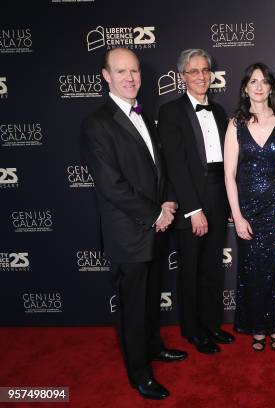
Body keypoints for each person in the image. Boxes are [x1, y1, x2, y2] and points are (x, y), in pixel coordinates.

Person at [80, 48, 186, 400]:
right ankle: (139, 374)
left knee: (151, 299)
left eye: (135, 72)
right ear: (106, 76)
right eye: (121, 72)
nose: (130, 78)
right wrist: (156, 213)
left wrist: (168, 199)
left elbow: (159, 169)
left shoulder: (145, 114)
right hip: (129, 233)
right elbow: (112, 186)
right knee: (133, 307)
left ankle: (154, 347)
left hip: (155, 228)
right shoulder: (98, 124)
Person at [158, 49, 234, 355]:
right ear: (182, 77)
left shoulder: (218, 112)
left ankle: (212, 323)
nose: (201, 76)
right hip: (193, 201)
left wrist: (228, 205)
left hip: (218, 195)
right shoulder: (171, 112)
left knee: (213, 266)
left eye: (205, 70)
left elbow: (226, 164)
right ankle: (193, 330)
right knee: (191, 269)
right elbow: (175, 165)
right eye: (194, 71)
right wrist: (193, 210)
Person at [224, 63, 275, 351]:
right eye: (253, 81)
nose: (258, 86)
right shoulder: (235, 124)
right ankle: (258, 326)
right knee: (252, 271)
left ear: (271, 87)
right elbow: (229, 175)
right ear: (245, 87)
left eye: (264, 81)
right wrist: (237, 215)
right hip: (249, 211)